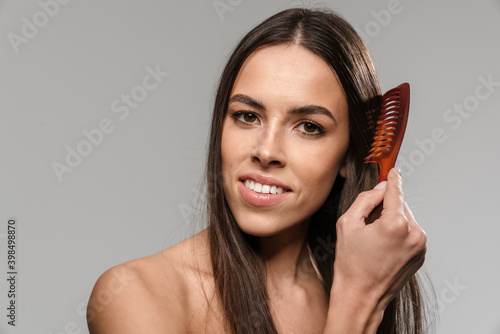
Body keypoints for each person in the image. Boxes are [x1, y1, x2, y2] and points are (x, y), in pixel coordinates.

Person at [87, 7, 430, 334]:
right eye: (247, 116)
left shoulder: (352, 282)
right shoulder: (135, 294)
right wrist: (359, 301)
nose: (266, 151)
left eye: (309, 127)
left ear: (349, 156)